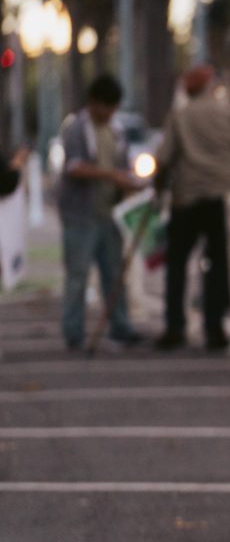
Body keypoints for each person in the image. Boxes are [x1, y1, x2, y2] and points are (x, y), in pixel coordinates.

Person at [154, 64, 230, 352]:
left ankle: (175, 326)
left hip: (187, 199)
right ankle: (215, 329)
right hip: (224, 198)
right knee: (219, 265)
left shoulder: (180, 116)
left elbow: (164, 158)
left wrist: (158, 189)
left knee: (176, 264)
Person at [56, 75, 143, 350]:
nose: (111, 113)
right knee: (77, 275)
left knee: (114, 272)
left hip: (110, 213)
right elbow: (74, 167)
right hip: (81, 214)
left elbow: (125, 166)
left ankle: (121, 324)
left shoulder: (115, 130)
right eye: (107, 107)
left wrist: (129, 183)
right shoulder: (77, 129)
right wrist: (111, 176)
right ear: (94, 103)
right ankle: (73, 331)